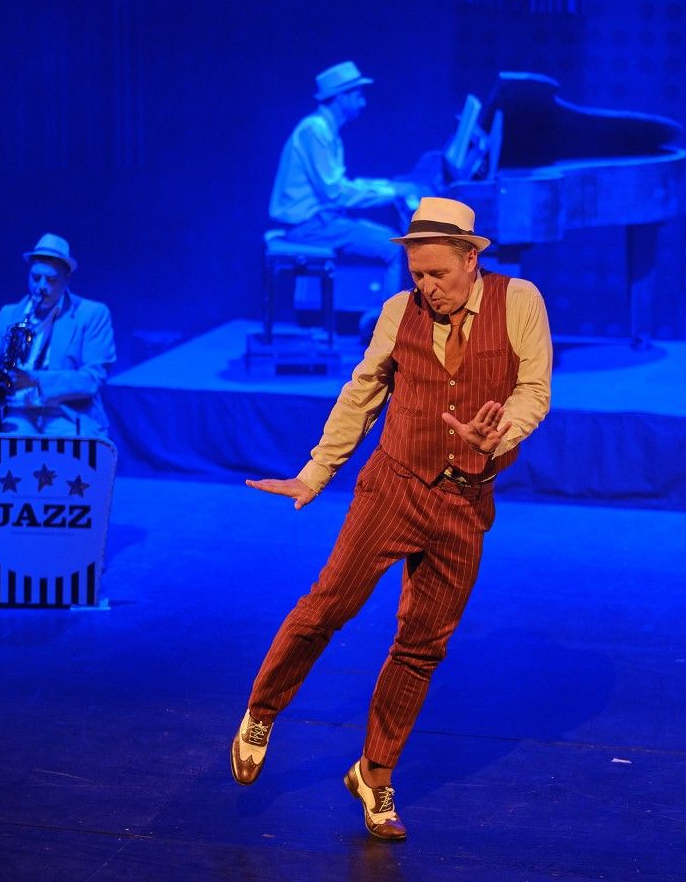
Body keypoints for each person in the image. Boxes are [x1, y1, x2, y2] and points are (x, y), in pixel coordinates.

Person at [232, 196, 552, 841]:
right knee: (328, 604)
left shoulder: (519, 301)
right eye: (418, 274)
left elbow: (533, 390)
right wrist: (316, 472)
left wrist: (502, 433)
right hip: (395, 485)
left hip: (465, 500)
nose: (427, 287)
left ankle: (374, 773)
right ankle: (262, 710)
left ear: (471, 258)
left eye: (439, 273)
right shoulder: (398, 313)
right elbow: (364, 392)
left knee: (422, 645)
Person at [269, 60, 417, 298]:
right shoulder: (315, 130)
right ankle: (390, 321)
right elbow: (335, 193)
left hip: (320, 222)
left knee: (393, 238)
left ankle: (388, 314)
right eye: (358, 95)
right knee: (396, 248)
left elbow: (339, 184)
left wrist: (387, 186)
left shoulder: (325, 131)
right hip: (309, 227)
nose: (363, 102)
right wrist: (392, 193)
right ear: (340, 97)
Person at [0, 233, 116, 437]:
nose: (41, 287)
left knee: (65, 452)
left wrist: (35, 380)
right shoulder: (9, 314)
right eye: (35, 277)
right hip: (19, 411)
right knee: (9, 449)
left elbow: (93, 379)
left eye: (51, 280)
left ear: (67, 279)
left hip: (68, 413)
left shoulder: (92, 313)